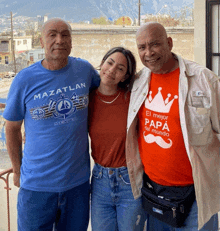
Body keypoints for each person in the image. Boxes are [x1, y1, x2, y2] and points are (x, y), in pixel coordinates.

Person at [3, 18, 99, 231]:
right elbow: (11, 128)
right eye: (52, 34)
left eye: (65, 35)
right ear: (41, 41)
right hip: (36, 187)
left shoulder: (85, 71)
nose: (59, 40)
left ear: (71, 41)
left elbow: (109, 93)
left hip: (77, 186)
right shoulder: (24, 79)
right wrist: (18, 171)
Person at [127, 22, 220, 230]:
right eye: (142, 47)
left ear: (169, 43)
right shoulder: (140, 81)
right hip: (154, 192)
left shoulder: (203, 80)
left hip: (196, 194)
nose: (148, 53)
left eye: (155, 44)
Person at [88, 47, 146, 231]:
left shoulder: (133, 99)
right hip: (99, 180)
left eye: (120, 69)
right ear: (103, 62)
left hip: (129, 180)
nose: (112, 70)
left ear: (125, 76)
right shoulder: (86, 99)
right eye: (110, 63)